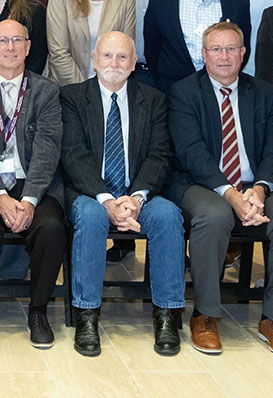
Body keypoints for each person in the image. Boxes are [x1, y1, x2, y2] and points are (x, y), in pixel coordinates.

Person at [167, 22, 273, 358]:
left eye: (232, 49)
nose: (224, 56)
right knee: (214, 217)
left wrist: (258, 190)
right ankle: (206, 315)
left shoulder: (264, 92)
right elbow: (192, 153)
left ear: (244, 54)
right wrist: (231, 194)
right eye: (216, 49)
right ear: (203, 55)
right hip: (200, 183)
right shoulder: (184, 92)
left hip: (255, 184)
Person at [60, 31, 185, 357]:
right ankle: (87, 314)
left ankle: (167, 314)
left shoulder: (153, 100)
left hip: (137, 193)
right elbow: (74, 155)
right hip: (91, 193)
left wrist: (136, 198)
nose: (114, 63)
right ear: (94, 60)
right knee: (90, 217)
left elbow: (160, 155)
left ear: (133, 64)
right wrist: (108, 201)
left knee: (168, 215)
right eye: (107, 56)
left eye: (122, 57)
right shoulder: (72, 98)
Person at [0, 20, 66, 351]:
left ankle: (38, 311)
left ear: (28, 47)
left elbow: (49, 148)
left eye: (16, 40)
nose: (9, 47)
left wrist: (31, 199)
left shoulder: (46, 90)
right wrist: (2, 198)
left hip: (34, 182)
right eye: (2, 41)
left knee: (51, 227)